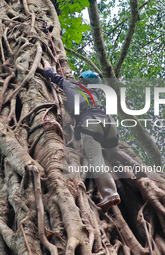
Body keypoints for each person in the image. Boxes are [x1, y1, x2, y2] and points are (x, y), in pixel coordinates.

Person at [43, 61, 121, 212]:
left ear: (81, 80)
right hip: (109, 124)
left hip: (91, 124)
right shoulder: (95, 95)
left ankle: (110, 194)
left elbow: (52, 76)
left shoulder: (74, 86)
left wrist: (47, 67)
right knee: (113, 154)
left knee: (96, 160)